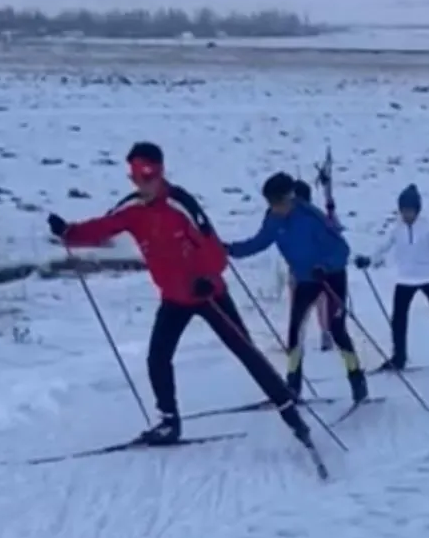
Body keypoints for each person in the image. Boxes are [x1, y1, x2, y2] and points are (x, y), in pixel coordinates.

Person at [46, 143, 312, 448]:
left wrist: (207, 278)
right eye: (135, 176)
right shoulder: (132, 209)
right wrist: (68, 232)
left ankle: (292, 415)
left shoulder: (181, 204)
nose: (141, 183)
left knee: (245, 350)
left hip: (208, 294)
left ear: (160, 172)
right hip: (174, 298)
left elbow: (214, 251)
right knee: (157, 358)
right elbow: (103, 226)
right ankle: (169, 423)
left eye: (148, 175)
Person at [225, 171, 369, 404]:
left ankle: (356, 379)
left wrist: (325, 265)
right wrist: (230, 250)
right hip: (305, 280)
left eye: (278, 202)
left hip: (331, 276)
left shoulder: (311, 217)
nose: (274, 208)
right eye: (270, 203)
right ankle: (293, 386)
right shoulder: (273, 219)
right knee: (294, 333)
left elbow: (342, 250)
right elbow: (259, 242)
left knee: (336, 329)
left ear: (290, 198)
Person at [353, 184, 429, 372]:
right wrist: (368, 259)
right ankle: (399, 357)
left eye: (410, 210)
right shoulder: (397, 228)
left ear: (417, 209)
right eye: (403, 211)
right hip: (405, 279)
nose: (406, 214)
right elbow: (383, 247)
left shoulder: (428, 227)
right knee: (398, 319)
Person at [290, 179, 334, 351]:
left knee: (321, 304)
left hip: (317, 271)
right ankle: (296, 338)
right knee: (298, 306)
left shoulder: (315, 218)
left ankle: (326, 334)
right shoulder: (288, 220)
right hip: (297, 271)